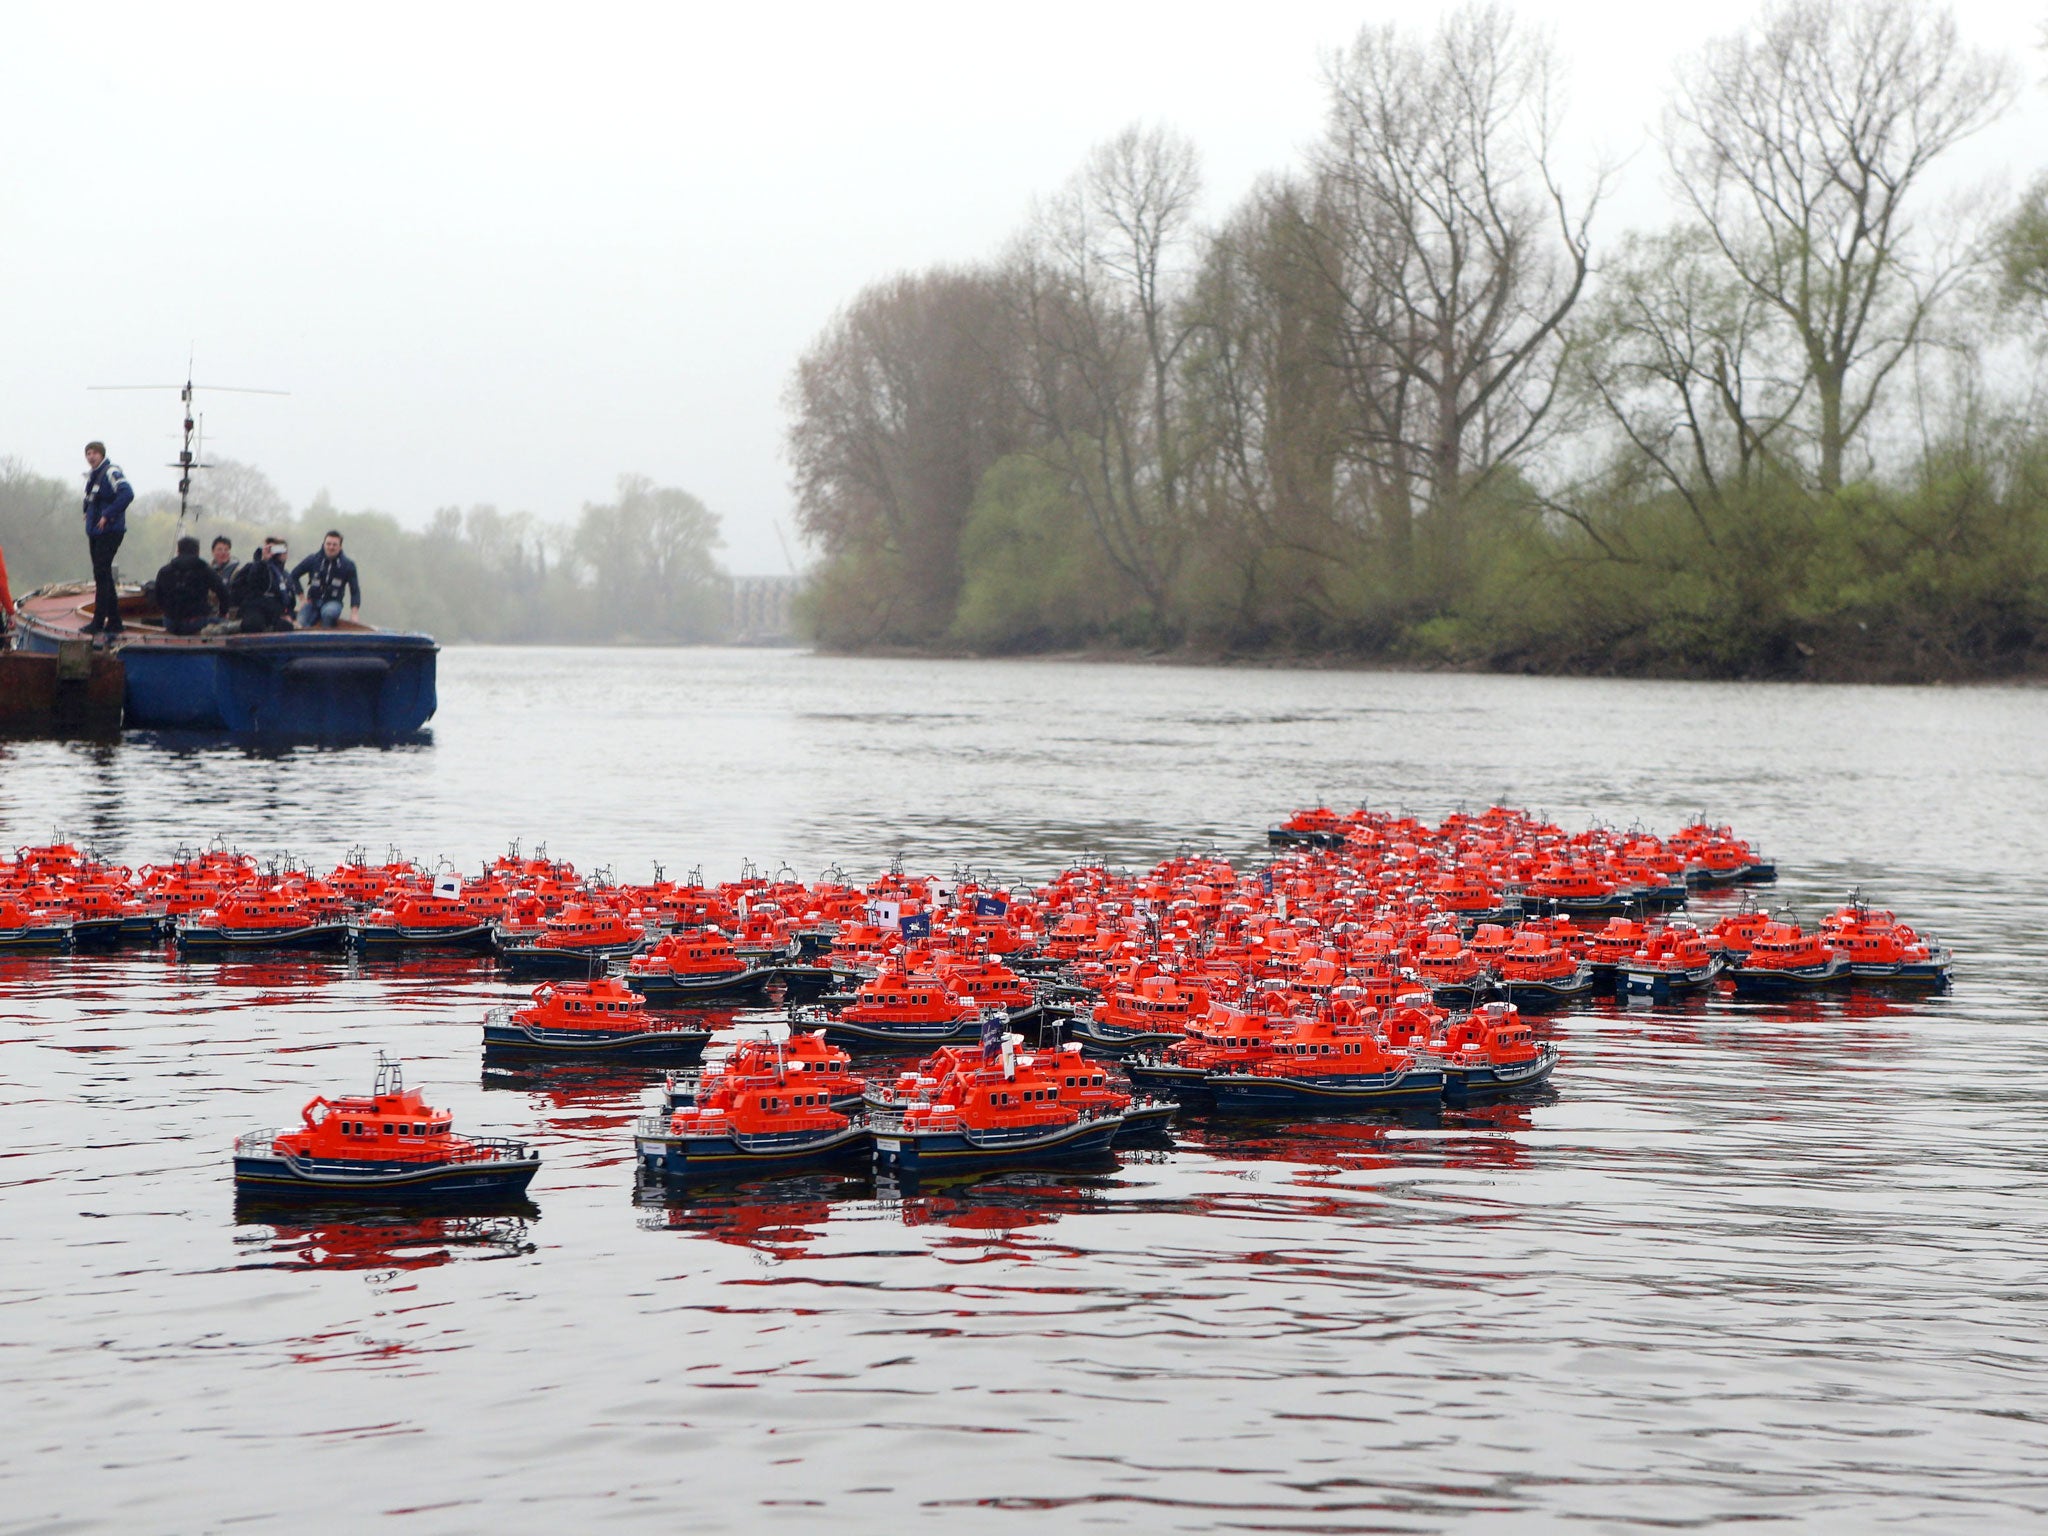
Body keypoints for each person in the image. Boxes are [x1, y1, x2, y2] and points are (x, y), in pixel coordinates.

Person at [81, 441, 134, 639]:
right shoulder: (92, 476)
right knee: (102, 575)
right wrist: (86, 512)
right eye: (88, 453)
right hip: (95, 532)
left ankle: (98, 621)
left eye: (94, 453)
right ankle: (114, 621)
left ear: (102, 454)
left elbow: (127, 494)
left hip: (110, 530)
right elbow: (90, 498)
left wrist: (107, 515)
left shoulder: (111, 472)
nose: (90, 457)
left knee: (102, 574)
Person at [153, 535, 231, 636]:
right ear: (197, 552)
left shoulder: (164, 571)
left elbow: (158, 598)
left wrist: (169, 613)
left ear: (178, 551)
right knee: (228, 624)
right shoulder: (204, 569)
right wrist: (223, 613)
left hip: (170, 623)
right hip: (195, 623)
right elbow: (224, 592)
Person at [289, 530, 361, 628]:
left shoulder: (348, 565)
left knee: (328, 614)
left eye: (334, 545)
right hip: (312, 602)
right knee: (300, 623)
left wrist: (354, 613)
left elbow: (355, 590)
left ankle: (326, 638)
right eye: (328, 544)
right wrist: (302, 598)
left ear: (340, 547)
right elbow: (293, 575)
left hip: (333, 602)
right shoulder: (313, 560)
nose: (331, 547)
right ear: (324, 544)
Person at [229, 536, 297, 632]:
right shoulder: (253, 567)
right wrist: (263, 560)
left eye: (283, 550)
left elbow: (290, 601)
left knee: (286, 626)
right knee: (254, 624)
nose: (281, 553)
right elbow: (252, 583)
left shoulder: (284, 576)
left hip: (275, 613)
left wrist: (289, 615)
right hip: (255, 609)